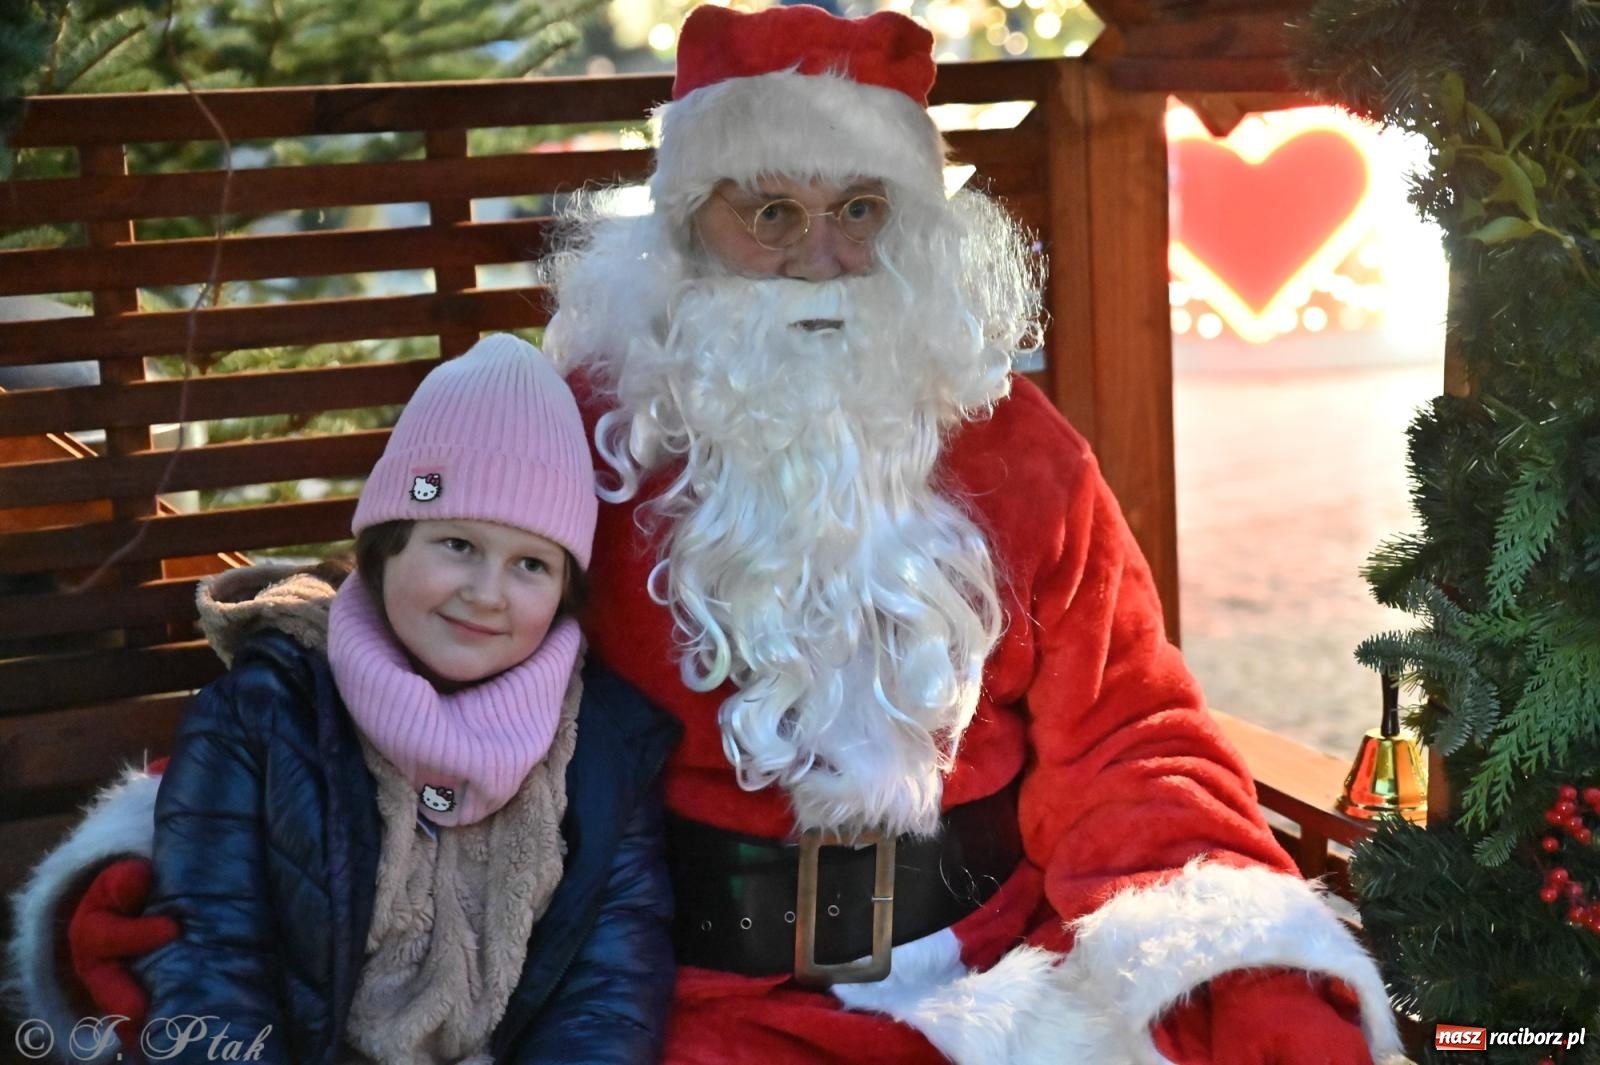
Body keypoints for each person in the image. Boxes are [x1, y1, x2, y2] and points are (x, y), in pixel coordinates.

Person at [17, 6, 1404, 1063]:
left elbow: (1126, 732)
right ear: (690, 227)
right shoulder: (580, 429)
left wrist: (1239, 953)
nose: (818, 259)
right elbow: (410, 659)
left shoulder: (1018, 446)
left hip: (1002, 973)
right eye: (772, 214)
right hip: (685, 1001)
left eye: (860, 212)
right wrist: (182, 855)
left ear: (913, 232)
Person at [9, 334, 678, 1064]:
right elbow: (215, 964)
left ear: (564, 591)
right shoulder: (263, 714)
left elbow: (610, 991)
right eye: (454, 542)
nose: (486, 593)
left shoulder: (602, 747)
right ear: (388, 541)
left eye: (529, 563)